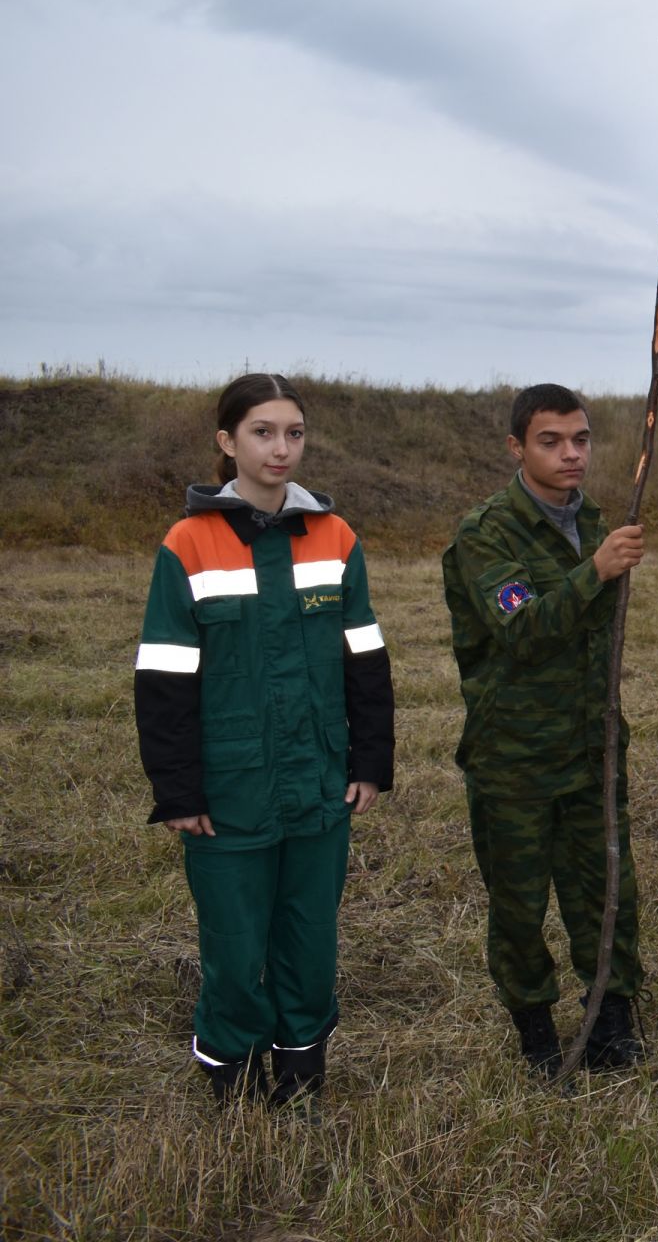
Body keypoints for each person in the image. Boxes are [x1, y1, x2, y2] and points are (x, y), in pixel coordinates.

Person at [134, 373, 394, 1104]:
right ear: (227, 442)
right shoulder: (188, 543)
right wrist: (178, 790)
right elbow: (163, 679)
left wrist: (370, 762)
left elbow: (365, 659)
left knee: (309, 944)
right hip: (228, 791)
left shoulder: (336, 537)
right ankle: (232, 1082)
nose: (281, 449)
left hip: (317, 785)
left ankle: (301, 1078)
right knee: (235, 949)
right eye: (262, 432)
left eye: (294, 433)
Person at [443, 383, 649, 1076]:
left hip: (591, 749)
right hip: (517, 757)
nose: (571, 455)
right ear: (517, 447)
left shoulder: (595, 522)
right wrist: (595, 572)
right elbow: (523, 629)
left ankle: (612, 1015)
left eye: (581, 440)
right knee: (520, 902)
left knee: (606, 890)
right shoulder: (487, 533)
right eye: (551, 441)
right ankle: (534, 1027)